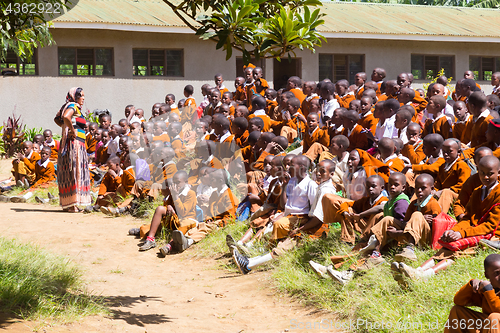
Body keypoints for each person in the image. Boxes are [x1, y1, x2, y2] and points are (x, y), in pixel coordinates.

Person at [443, 254, 500, 333]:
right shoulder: (486, 291)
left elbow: (498, 310)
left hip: (495, 323)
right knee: (456, 311)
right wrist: (472, 285)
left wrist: (488, 290)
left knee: (494, 317)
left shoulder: (488, 291)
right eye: (497, 273)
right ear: (487, 275)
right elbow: (458, 301)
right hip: (492, 326)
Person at [57, 87, 92, 212]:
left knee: (70, 171)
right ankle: (72, 205)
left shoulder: (65, 106)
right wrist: (72, 130)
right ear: (75, 96)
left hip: (70, 143)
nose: (83, 98)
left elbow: (57, 119)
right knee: (74, 171)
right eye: (81, 95)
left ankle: (69, 204)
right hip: (74, 143)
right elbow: (66, 117)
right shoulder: (73, 106)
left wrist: (65, 128)